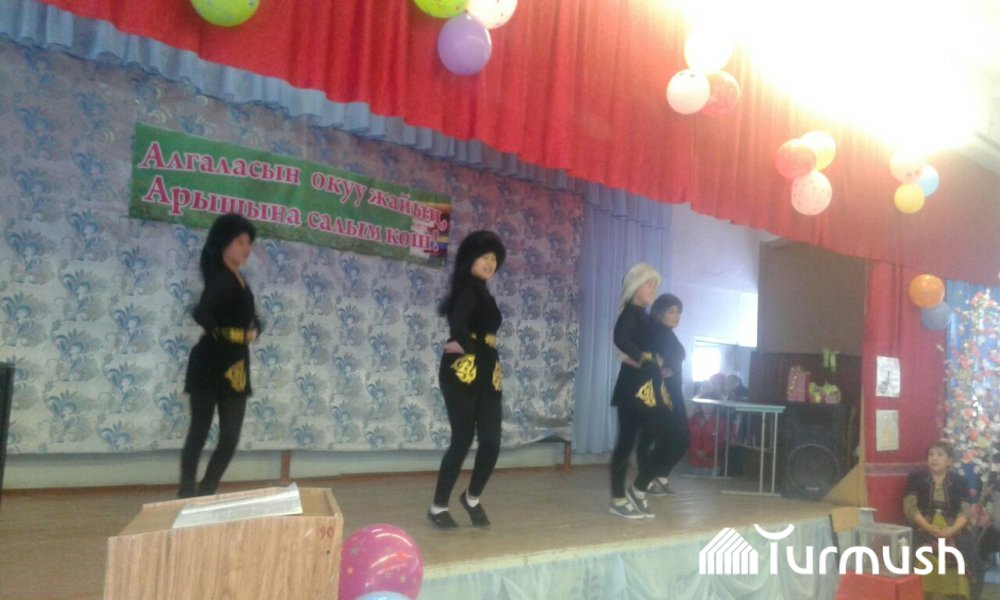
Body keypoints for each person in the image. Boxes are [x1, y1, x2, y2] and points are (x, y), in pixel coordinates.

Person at [178, 213, 262, 498]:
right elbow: (201, 312)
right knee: (199, 432)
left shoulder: (239, 280)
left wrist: (254, 330)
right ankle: (186, 492)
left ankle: (206, 490)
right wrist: (227, 334)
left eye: (248, 243)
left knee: (230, 437)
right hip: (209, 363)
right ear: (224, 244)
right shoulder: (222, 279)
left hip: (235, 364)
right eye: (240, 242)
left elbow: (251, 319)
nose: (246, 248)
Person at [428, 230, 506, 529]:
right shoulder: (467, 290)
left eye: (494, 259)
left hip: (488, 370)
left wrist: (475, 349)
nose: (490, 263)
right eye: (484, 256)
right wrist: (466, 346)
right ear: (470, 258)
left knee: (491, 441)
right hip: (463, 369)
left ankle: (472, 498)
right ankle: (438, 507)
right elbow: (458, 323)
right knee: (462, 440)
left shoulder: (484, 292)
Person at [608, 263, 672, 519]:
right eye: (649, 284)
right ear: (635, 286)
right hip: (632, 388)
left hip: (650, 387)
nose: (653, 289)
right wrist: (644, 359)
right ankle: (618, 498)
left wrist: (657, 362)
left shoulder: (645, 317)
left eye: (655, 285)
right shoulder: (629, 314)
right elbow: (620, 340)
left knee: (662, 437)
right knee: (626, 443)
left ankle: (638, 488)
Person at [903, 440, 974, 599]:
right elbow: (910, 508)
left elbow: (965, 510)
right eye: (931, 454)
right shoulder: (916, 478)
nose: (934, 458)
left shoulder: (959, 481)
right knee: (922, 558)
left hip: (953, 530)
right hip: (923, 528)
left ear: (950, 461)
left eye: (940, 455)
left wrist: (952, 530)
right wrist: (928, 527)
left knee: (958, 556)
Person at [636, 293, 688, 496]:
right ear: (660, 313)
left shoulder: (668, 334)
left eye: (678, 312)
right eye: (671, 311)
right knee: (658, 439)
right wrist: (658, 371)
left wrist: (669, 369)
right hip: (660, 393)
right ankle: (646, 481)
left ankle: (660, 474)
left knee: (680, 439)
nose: (676, 316)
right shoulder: (656, 333)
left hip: (674, 392)